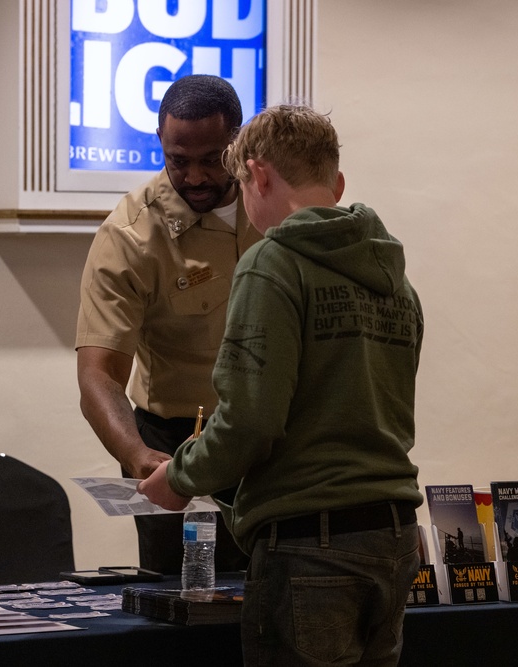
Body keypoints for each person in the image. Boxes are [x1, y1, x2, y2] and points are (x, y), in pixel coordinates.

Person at [139, 105, 424, 665]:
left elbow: (251, 419)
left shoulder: (273, 263)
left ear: (258, 175)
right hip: (393, 536)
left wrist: (180, 475)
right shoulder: (397, 281)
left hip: (309, 543)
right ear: (336, 183)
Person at [76, 74, 259, 575]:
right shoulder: (131, 235)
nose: (196, 177)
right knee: (182, 612)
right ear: (160, 140)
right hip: (177, 439)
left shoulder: (273, 203)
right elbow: (100, 373)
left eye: (212, 159)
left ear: (238, 143)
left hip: (269, 436)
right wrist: (137, 455)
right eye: (179, 161)